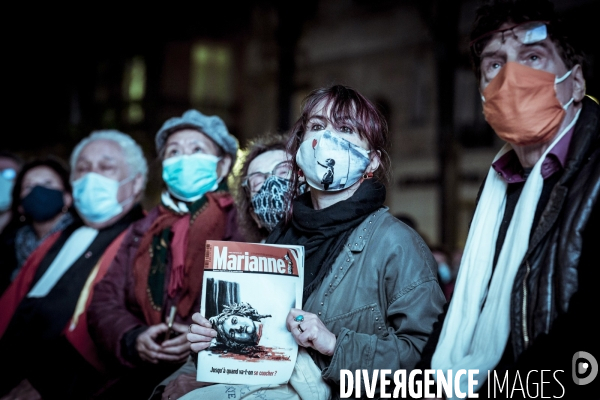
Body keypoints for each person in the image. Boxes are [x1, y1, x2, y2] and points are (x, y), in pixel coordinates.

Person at [183, 85, 446, 399]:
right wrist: (211, 342)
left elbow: (431, 367)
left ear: (372, 161)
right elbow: (254, 350)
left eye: (346, 128)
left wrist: (334, 344)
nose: (327, 140)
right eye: (318, 126)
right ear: (300, 150)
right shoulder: (276, 242)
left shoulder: (396, 243)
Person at [419, 1, 599, 398]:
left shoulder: (594, 176)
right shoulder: (499, 188)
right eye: (495, 64)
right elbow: (467, 309)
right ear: (484, 96)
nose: (513, 77)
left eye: (533, 56)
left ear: (578, 81)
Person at [87, 109, 244, 399]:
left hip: (206, 378)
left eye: (197, 149)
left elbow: (249, 302)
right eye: (173, 152)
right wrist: (133, 337)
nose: (184, 159)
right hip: (136, 375)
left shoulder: (241, 224)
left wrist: (201, 337)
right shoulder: (142, 230)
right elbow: (104, 300)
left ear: (222, 165)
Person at [0, 130, 147, 399]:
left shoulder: (145, 239)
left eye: (106, 167)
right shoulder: (58, 237)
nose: (92, 176)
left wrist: (46, 385)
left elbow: (114, 329)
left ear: (136, 183)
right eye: (83, 169)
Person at [0, 157, 75, 294]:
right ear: (20, 205)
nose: (38, 191)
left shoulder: (81, 240)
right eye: (28, 186)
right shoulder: (10, 247)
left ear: (67, 197)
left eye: (48, 183)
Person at [235, 133, 295, 242]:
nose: (271, 181)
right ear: (254, 216)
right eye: (258, 182)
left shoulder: (335, 248)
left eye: (284, 171)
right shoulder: (250, 259)